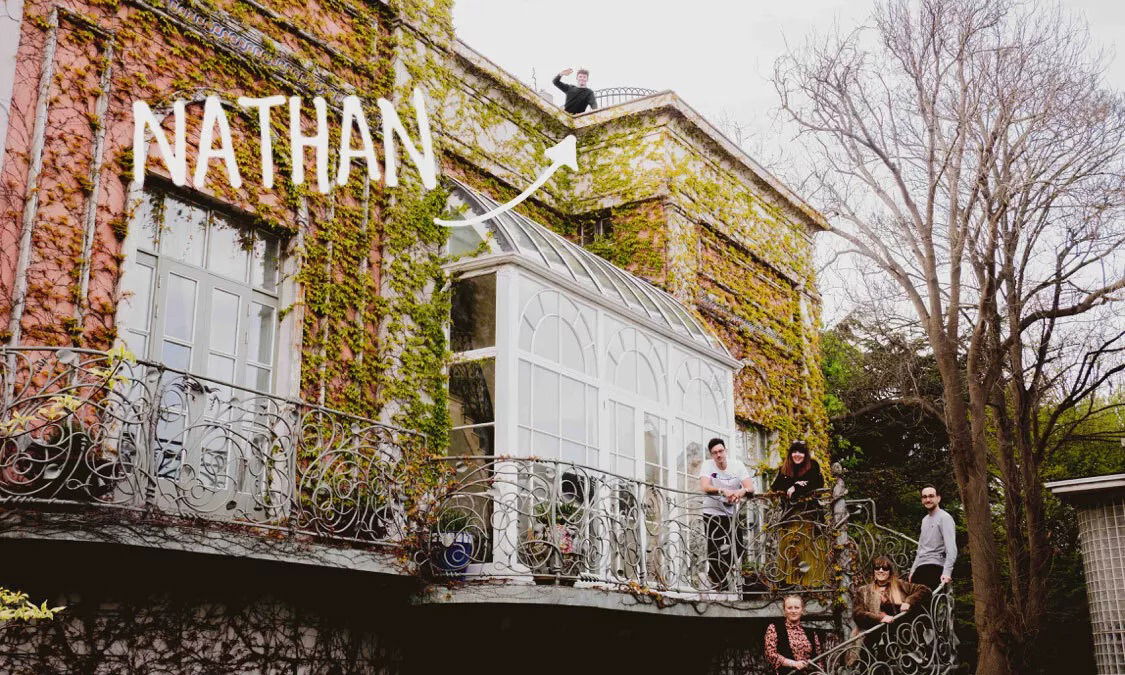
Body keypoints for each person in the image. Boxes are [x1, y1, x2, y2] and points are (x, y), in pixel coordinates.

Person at [769, 441, 827, 586]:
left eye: (801, 452)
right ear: (790, 453)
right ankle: (789, 584)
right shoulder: (785, 468)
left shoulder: (812, 465)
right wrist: (792, 485)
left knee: (806, 550)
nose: (797, 455)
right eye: (794, 452)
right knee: (789, 549)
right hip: (789, 516)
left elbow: (817, 483)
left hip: (808, 515)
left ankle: (811, 585)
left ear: (805, 454)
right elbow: (775, 486)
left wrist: (797, 487)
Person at [699, 437, 754, 588]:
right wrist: (722, 490)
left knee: (738, 544)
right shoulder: (708, 465)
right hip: (711, 512)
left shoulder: (737, 465)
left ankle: (720, 573)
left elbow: (750, 487)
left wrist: (740, 492)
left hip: (730, 513)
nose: (719, 455)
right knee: (714, 547)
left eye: (721, 451)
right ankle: (718, 581)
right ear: (711, 455)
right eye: (715, 453)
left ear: (726, 451)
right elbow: (704, 486)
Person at [852, 556, 931, 629]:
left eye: (885, 568)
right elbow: (857, 613)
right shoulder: (863, 591)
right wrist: (880, 618)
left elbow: (924, 590)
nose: (881, 570)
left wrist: (909, 602)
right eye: (877, 568)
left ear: (890, 572)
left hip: (903, 632)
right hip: (877, 635)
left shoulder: (900, 585)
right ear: (874, 572)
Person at [908, 485, 957, 589]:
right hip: (921, 567)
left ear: (938, 498)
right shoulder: (924, 520)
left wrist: (947, 572)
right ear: (922, 500)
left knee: (917, 599)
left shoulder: (945, 518)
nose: (928, 499)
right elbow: (920, 549)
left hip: (935, 566)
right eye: (924, 497)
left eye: (931, 496)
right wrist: (912, 571)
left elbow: (951, 549)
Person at [764, 594, 820, 673]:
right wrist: (794, 663)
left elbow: (819, 659)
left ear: (802, 610)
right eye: (789, 608)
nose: (793, 611)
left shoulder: (811, 633)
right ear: (784, 611)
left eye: (796, 608)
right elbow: (770, 655)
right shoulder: (774, 628)